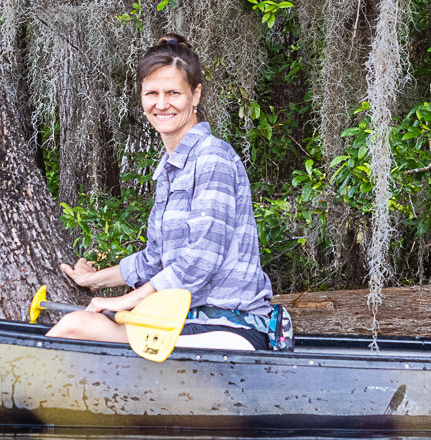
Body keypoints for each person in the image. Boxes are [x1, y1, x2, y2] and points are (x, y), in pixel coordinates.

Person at [49, 34, 291, 352]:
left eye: (173, 93)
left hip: (227, 326)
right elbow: (155, 260)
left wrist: (128, 300)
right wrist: (94, 280)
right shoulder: (170, 168)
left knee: (74, 327)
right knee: (76, 325)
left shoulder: (212, 156)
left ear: (195, 96)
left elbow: (201, 260)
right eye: (152, 93)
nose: (161, 104)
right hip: (178, 323)